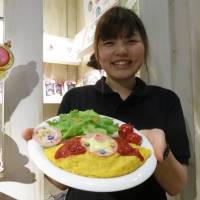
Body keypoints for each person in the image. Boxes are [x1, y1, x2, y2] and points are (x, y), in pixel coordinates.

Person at [23, 6, 190, 200]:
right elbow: (61, 180)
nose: (121, 50)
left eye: (131, 40)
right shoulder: (76, 99)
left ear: (145, 45)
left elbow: (176, 186)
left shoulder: (166, 100)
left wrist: (159, 148)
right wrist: (40, 154)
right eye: (109, 43)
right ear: (97, 52)